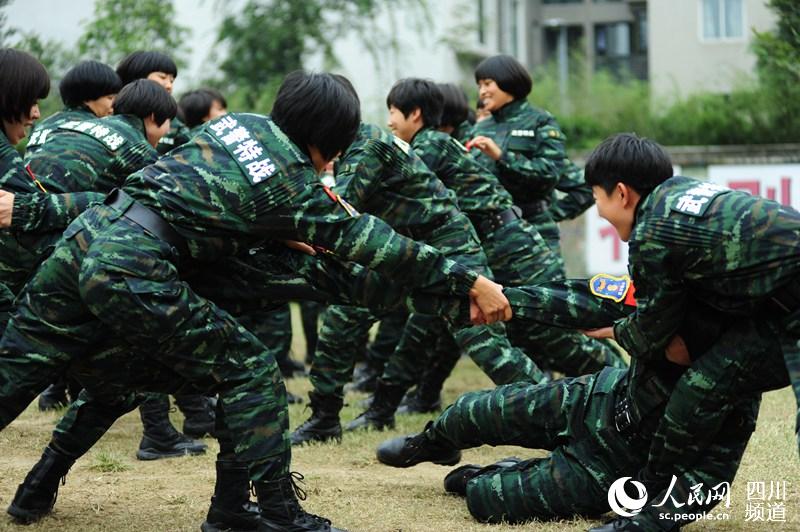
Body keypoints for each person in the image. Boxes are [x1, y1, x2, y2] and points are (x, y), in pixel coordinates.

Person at [0, 70, 509, 532]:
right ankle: (275, 513)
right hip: (138, 265)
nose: (332, 161)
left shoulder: (238, 124)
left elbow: (211, 196)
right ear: (326, 138)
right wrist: (470, 282)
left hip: (90, 238)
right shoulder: (292, 179)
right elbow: (375, 243)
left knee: (44, 375)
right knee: (250, 373)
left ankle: (37, 489)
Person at [376, 277, 767, 530]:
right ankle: (431, 444)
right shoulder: (664, 305)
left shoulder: (736, 388)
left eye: (670, 343)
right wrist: (504, 299)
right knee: (473, 411)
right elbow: (576, 297)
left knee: (486, 498)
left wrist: (627, 527)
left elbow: (707, 486)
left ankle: (506, 472)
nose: (655, 344)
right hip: (591, 400)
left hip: (611, 468)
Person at [346, 78, 623, 427]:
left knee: (548, 332)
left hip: (509, 246)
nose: (388, 121)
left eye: (393, 112)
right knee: (431, 323)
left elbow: (564, 179)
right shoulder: (453, 137)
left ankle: (617, 379)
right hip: (479, 244)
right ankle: (388, 406)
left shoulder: (431, 145)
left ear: (418, 115)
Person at [576, 132, 800, 530]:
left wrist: (613, 330)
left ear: (622, 194)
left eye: (597, 197)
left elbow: (652, 330)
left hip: (788, 311)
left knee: (700, 389)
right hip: (777, 309)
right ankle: (647, 499)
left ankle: (646, 502)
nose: (598, 211)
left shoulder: (653, 233)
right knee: (702, 387)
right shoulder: (679, 194)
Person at [291, 118, 545, 444]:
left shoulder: (367, 145)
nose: (390, 118)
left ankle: (560, 411)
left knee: (484, 341)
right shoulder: (352, 145)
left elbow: (338, 210)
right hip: (405, 248)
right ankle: (326, 417)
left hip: (447, 244)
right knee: (344, 314)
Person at [116, 50, 190, 154]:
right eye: (162, 77)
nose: (169, 86)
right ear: (138, 76)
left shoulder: (174, 122)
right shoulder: (109, 110)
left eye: (171, 81)